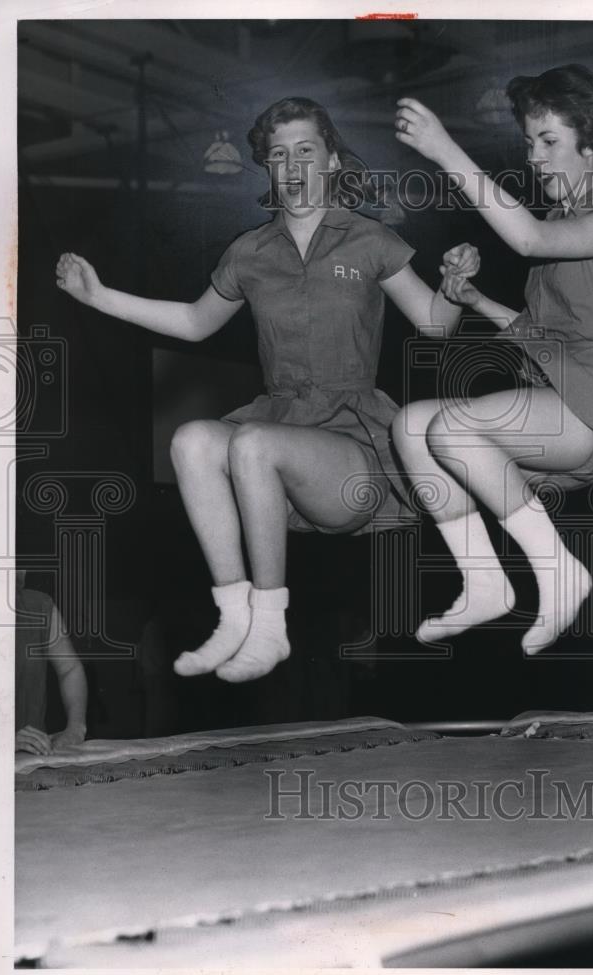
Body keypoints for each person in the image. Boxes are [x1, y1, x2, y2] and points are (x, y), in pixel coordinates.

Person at [55, 97, 477, 683]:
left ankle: (271, 626)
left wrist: (456, 290)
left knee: (252, 443)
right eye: (279, 155)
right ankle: (233, 613)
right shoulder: (249, 252)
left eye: (306, 150)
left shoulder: (370, 241)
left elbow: (435, 325)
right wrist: (98, 297)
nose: (293, 164)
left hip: (351, 453)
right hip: (279, 430)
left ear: (331, 161)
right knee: (191, 441)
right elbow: (195, 322)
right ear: (270, 169)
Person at [391, 64, 593, 654]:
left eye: (549, 141)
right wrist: (473, 299)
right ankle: (485, 581)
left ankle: (559, 571)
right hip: (568, 403)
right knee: (412, 424)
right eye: (529, 143)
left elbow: (525, 239)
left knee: (452, 428)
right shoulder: (563, 224)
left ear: (591, 145)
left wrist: (445, 149)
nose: (535, 157)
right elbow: (541, 335)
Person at [15, 571, 88, 755]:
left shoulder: (39, 606)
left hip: (33, 759)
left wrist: (76, 727)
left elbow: (70, 669)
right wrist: (0, 741)